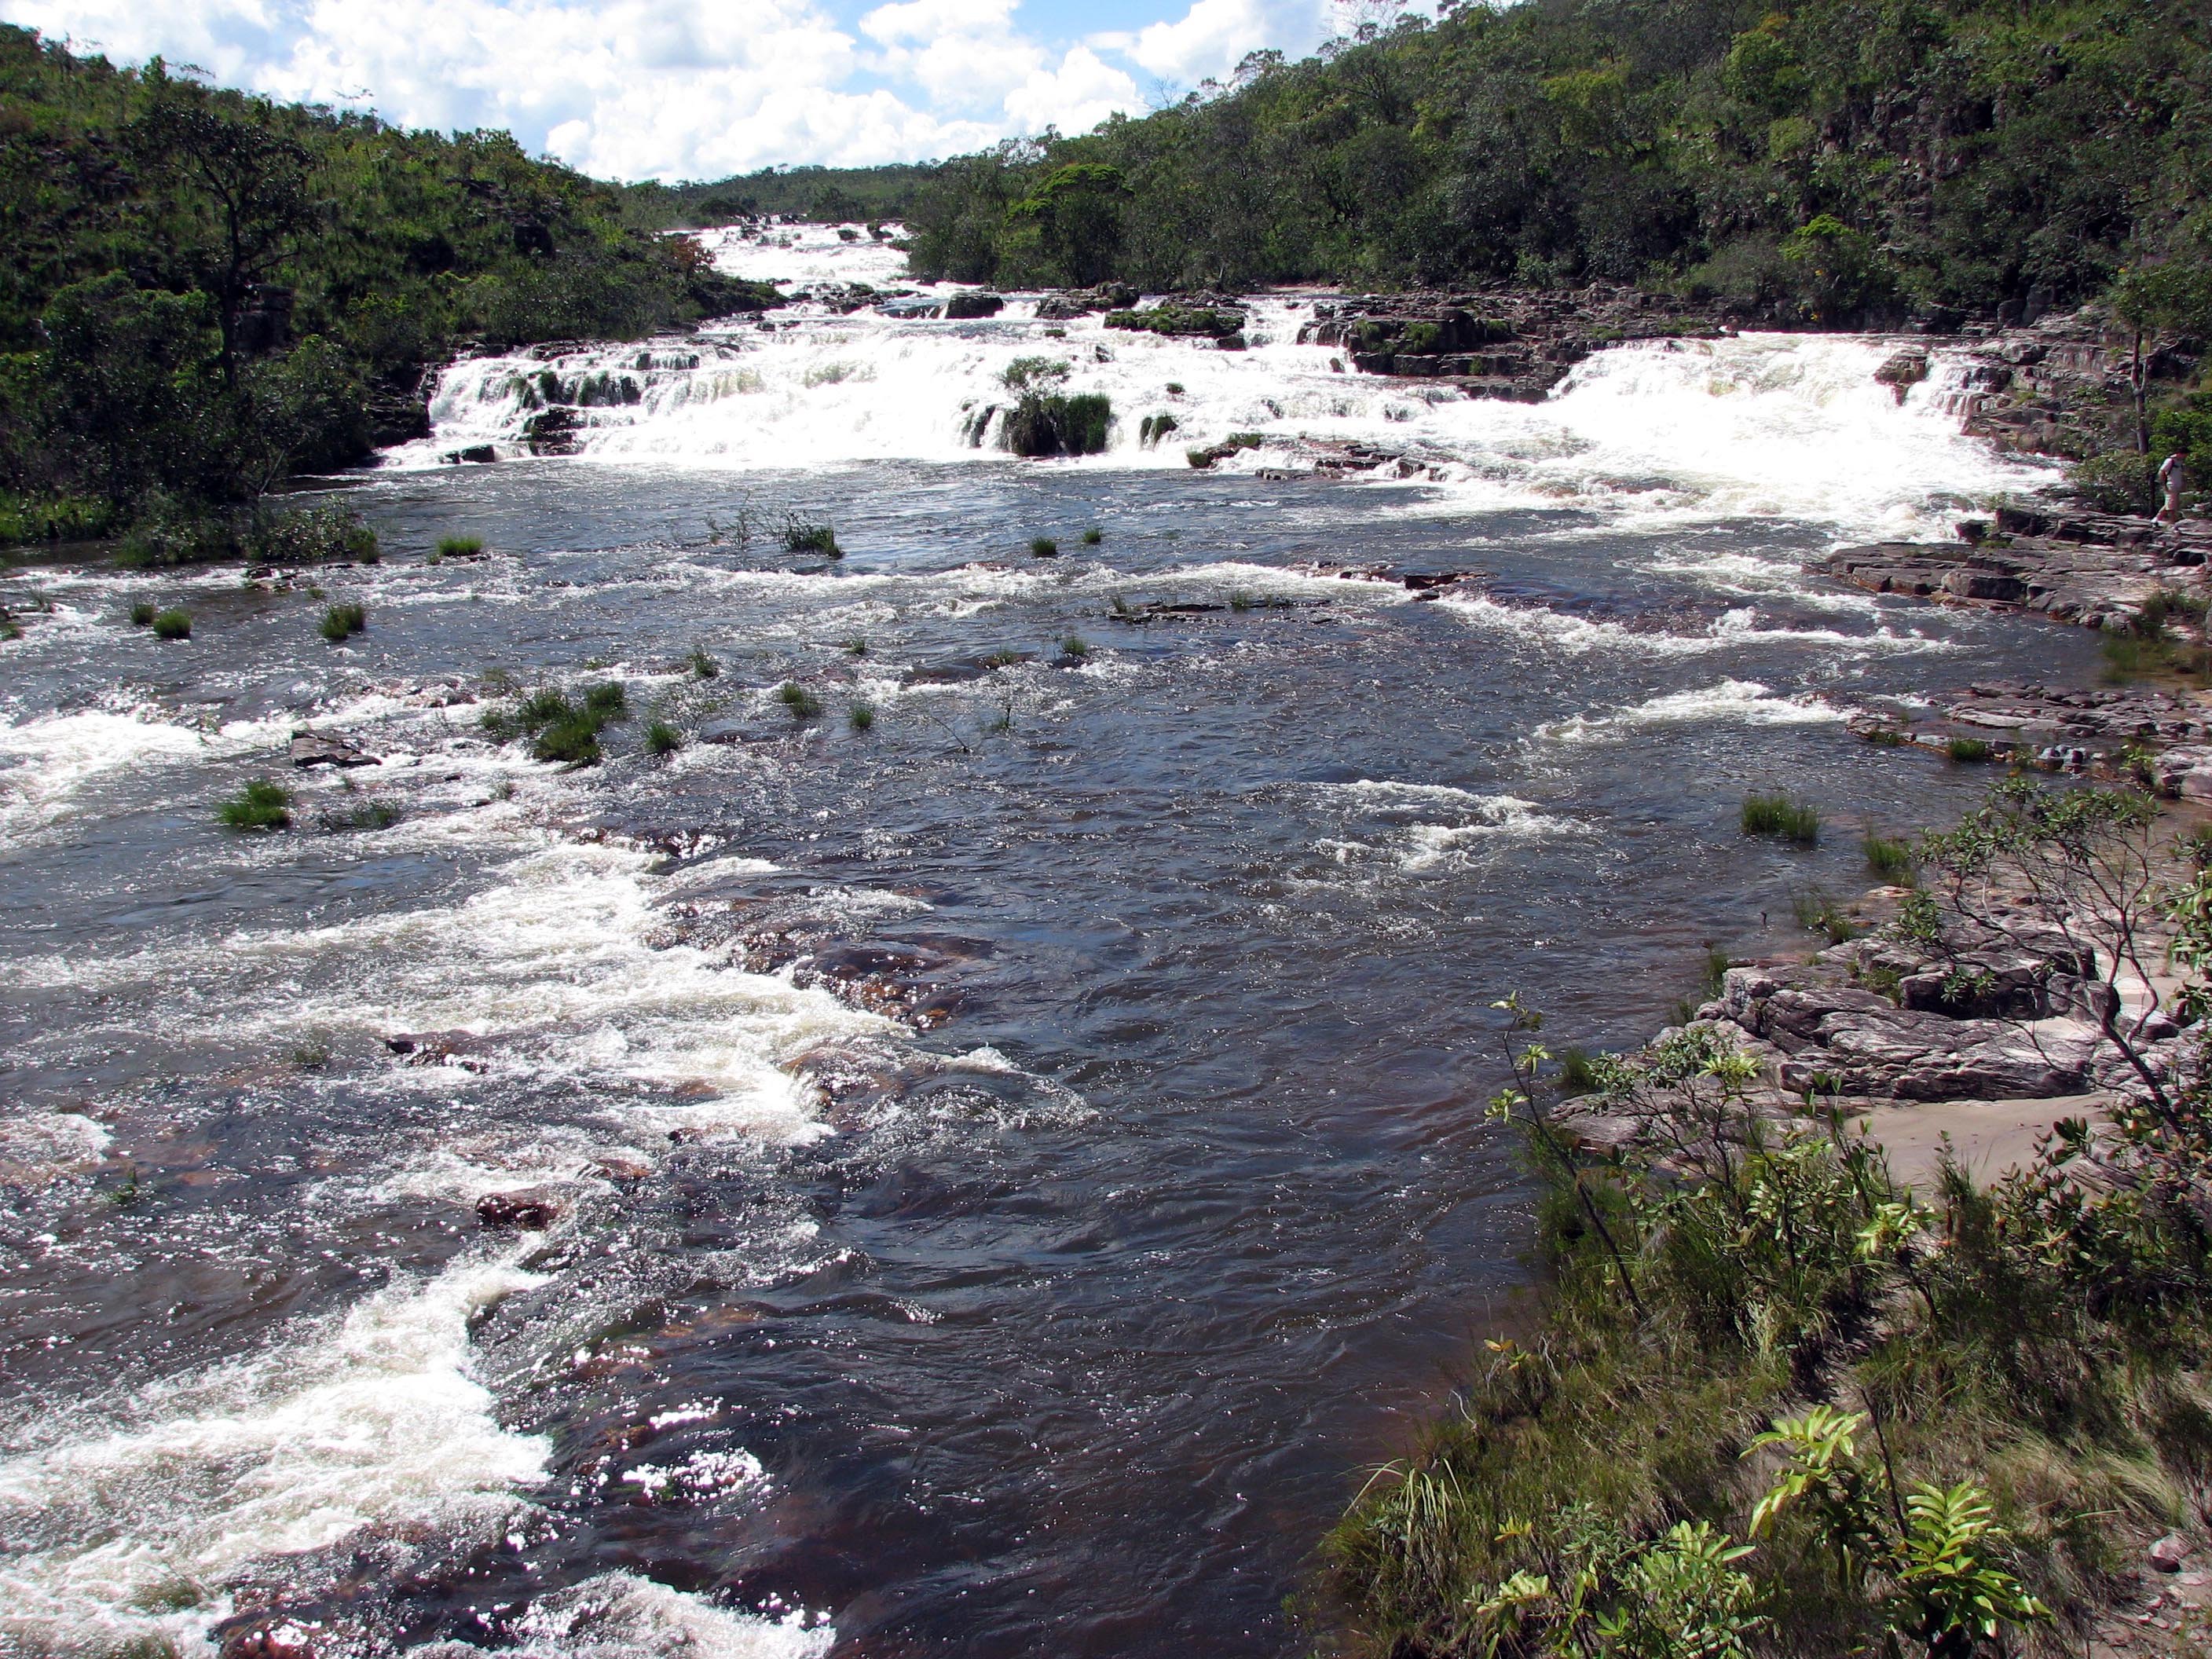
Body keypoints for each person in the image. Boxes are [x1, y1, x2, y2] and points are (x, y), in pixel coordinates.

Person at [2159, 450, 2188, 526]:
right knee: (2171, 506)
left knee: (2170, 503)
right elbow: (2162, 472)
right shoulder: (2170, 461)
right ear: (2179, 454)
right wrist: (2164, 485)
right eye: (2185, 454)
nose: (2185, 456)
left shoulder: (2180, 462)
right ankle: (2172, 524)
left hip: (2177, 486)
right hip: (2170, 485)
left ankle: (2157, 519)